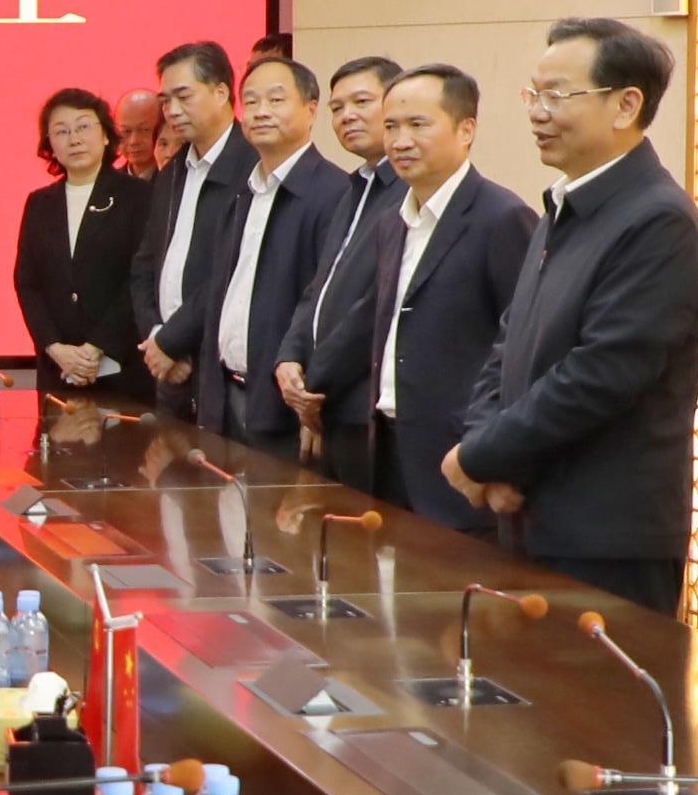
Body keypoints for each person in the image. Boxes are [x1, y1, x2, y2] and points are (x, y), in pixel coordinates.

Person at [450, 17, 698, 613]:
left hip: (604, 538)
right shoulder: (565, 204)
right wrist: (484, 447)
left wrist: (482, 457)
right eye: (533, 94)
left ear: (626, 105)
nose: (536, 113)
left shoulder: (658, 221)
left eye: (557, 96)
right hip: (527, 514)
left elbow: (601, 375)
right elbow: (509, 344)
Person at [316, 65, 534, 526]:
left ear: (466, 129)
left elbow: (522, 344)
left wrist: (494, 451)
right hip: (387, 448)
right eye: (392, 126)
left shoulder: (501, 217)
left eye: (418, 125)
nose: (400, 141)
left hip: (460, 455)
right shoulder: (392, 222)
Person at [158, 55, 342, 449]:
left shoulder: (332, 192)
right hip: (224, 397)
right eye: (252, 101)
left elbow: (327, 305)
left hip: (284, 406)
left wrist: (314, 400)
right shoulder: (244, 191)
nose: (260, 112)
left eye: (275, 100)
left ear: (311, 110)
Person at [279, 57, 403, 472]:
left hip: (361, 405)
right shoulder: (354, 188)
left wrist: (313, 385)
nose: (347, 115)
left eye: (361, 102)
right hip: (324, 401)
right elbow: (320, 287)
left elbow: (373, 307)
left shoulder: (410, 193)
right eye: (337, 108)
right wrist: (289, 357)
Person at [127, 40, 252, 419]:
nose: (172, 111)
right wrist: (156, 338)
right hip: (168, 367)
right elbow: (145, 264)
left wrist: (172, 340)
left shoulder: (251, 165)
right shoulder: (173, 171)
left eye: (183, 97)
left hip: (222, 370)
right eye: (166, 101)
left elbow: (231, 272)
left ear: (221, 93)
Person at [13, 87, 146, 398]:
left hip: (122, 367)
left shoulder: (138, 196)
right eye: (61, 131)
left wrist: (96, 348)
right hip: (58, 370)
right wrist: (54, 347)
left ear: (105, 135)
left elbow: (140, 279)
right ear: (50, 144)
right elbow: (28, 283)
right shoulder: (39, 204)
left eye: (83, 126)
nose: (74, 139)